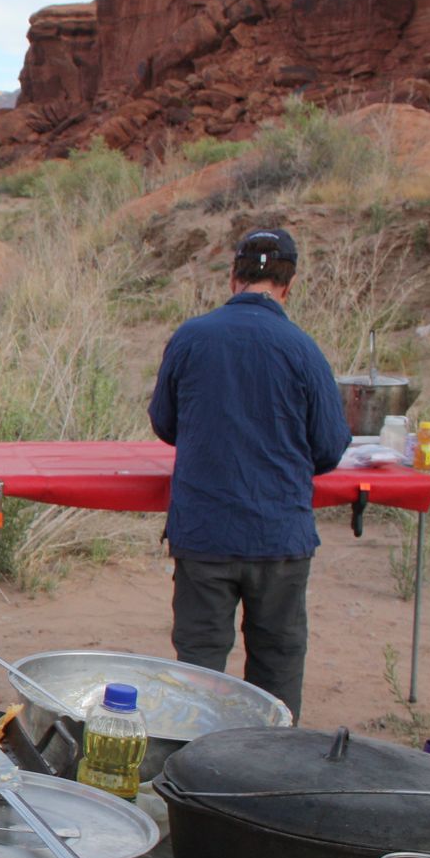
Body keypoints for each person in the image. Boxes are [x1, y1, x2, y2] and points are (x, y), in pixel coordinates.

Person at [147, 226, 349, 720]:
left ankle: (192, 774)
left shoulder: (191, 337)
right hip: (278, 535)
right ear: (289, 283)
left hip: (205, 532)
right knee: (277, 666)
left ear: (232, 276)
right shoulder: (303, 348)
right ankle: (265, 779)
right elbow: (329, 446)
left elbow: (164, 423)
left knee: (199, 667)